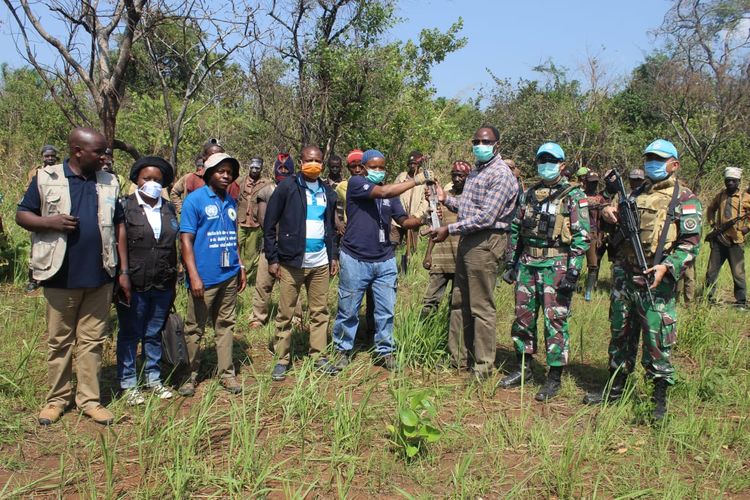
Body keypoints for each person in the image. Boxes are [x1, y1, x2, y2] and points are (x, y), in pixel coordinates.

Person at [17, 127, 128, 426]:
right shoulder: (46, 177)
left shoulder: (109, 181)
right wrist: (48, 222)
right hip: (59, 275)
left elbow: (118, 224)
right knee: (60, 342)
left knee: (92, 341)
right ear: (78, 151)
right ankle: (57, 400)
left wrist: (122, 272)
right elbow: (22, 214)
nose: (105, 156)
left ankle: (89, 400)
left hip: (100, 275)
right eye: (99, 151)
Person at [584, 139, 701, 421]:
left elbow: (690, 243)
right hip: (625, 275)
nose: (652, 163)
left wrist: (667, 267)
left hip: (655, 278)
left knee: (656, 338)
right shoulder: (635, 193)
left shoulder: (684, 198)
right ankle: (615, 390)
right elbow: (613, 215)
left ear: (674, 164)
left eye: (658, 158)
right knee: (620, 333)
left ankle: (657, 400)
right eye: (649, 157)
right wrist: (608, 212)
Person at [501, 143, 590, 400]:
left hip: (556, 266)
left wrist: (573, 273)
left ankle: (554, 377)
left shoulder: (573, 196)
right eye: (542, 159)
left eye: (552, 160)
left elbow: (582, 237)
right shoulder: (529, 194)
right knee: (523, 318)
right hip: (528, 263)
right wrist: (511, 262)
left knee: (555, 321)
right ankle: (524, 368)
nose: (546, 164)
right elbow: (516, 229)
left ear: (562, 164)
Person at [431, 125, 519, 381]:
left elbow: (486, 217)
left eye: (486, 141)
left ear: (497, 144)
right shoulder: (477, 172)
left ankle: (482, 366)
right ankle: (457, 357)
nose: (480, 145)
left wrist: (450, 228)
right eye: (477, 140)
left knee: (480, 306)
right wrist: (445, 198)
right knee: (459, 302)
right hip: (468, 240)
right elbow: (468, 209)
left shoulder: (501, 175)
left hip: (486, 242)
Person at [332, 149, 428, 371]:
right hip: (356, 258)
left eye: (382, 167)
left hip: (384, 259)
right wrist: (417, 180)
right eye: (373, 167)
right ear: (364, 168)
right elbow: (383, 192)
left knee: (386, 310)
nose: (378, 170)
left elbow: (404, 221)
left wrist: (424, 216)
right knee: (348, 309)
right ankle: (343, 349)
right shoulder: (357, 183)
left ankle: (385, 351)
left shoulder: (391, 195)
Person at [264, 146, 340, 380]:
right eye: (309, 160)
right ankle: (282, 358)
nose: (313, 164)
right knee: (286, 313)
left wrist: (333, 255)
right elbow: (269, 223)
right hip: (291, 262)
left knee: (320, 311)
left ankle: (319, 355)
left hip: (320, 262)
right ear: (301, 162)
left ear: (323, 164)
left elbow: (330, 227)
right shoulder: (288, 187)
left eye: (317, 161)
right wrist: (272, 257)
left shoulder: (328, 191)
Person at [178, 152, 247, 396]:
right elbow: (186, 239)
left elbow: (233, 237)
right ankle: (189, 375)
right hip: (203, 277)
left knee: (225, 325)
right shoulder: (194, 200)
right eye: (220, 171)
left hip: (228, 275)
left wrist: (240, 266)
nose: (226, 176)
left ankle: (227, 374)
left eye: (229, 172)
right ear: (209, 174)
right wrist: (193, 275)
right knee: (194, 328)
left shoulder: (230, 201)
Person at [116, 156, 177, 405]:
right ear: (137, 181)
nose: (152, 183)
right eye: (147, 178)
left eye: (157, 180)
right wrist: (124, 274)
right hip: (134, 281)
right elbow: (117, 243)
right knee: (130, 332)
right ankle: (128, 382)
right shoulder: (125, 207)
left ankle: (153, 378)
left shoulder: (168, 207)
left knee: (153, 332)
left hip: (163, 280)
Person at [248, 153, 303, 329]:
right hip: (270, 245)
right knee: (263, 283)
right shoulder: (267, 191)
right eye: (281, 168)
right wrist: (276, 240)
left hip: (292, 247)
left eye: (287, 168)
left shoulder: (298, 189)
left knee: (293, 285)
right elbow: (264, 220)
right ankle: (258, 317)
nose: (284, 171)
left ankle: (296, 317)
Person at [421, 160, 470, 316]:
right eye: (454, 175)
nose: (456, 179)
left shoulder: (471, 201)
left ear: (468, 177)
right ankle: (424, 334)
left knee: (456, 303)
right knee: (430, 301)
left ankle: (449, 336)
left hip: (461, 259)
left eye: (460, 176)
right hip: (441, 259)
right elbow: (435, 226)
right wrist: (428, 254)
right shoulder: (443, 198)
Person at [704, 167, 750, 307]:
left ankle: (741, 302)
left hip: (735, 241)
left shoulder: (745, 197)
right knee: (711, 272)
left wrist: (747, 228)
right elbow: (711, 209)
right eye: (727, 180)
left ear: (738, 182)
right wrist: (713, 224)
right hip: (719, 240)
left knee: (738, 273)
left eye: (733, 181)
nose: (729, 183)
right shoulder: (720, 195)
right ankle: (709, 299)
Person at [25, 145, 61, 293]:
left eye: (52, 156)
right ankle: (33, 279)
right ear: (42, 157)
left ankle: (51, 277)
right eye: (47, 156)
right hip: (38, 215)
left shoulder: (60, 172)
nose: (50, 158)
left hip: (54, 213)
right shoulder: (35, 172)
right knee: (36, 247)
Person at [170, 142, 240, 213]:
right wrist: (182, 210)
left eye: (220, 155)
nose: (216, 157)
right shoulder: (191, 178)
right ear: (204, 157)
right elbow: (174, 192)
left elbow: (233, 205)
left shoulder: (229, 181)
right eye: (213, 154)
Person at [236, 157, 273, 285]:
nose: (254, 170)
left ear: (261, 168)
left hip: (255, 223)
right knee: (234, 248)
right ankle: (233, 276)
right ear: (249, 167)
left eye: (257, 168)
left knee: (250, 254)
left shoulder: (266, 183)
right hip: (240, 221)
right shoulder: (240, 181)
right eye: (252, 167)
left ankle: (244, 278)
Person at [393, 151, 429, 272]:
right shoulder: (401, 176)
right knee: (392, 243)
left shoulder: (424, 178)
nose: (412, 166)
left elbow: (425, 201)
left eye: (415, 163)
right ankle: (391, 268)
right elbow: (394, 193)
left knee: (411, 247)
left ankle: (407, 270)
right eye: (410, 163)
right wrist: (397, 212)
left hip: (413, 218)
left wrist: (416, 215)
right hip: (397, 219)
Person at [582, 171, 607, 300]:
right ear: (585, 182)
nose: (593, 185)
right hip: (579, 232)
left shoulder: (600, 199)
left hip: (593, 233)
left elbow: (602, 220)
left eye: (595, 183)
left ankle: (588, 291)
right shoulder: (578, 195)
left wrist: (599, 236)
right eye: (591, 182)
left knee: (593, 264)